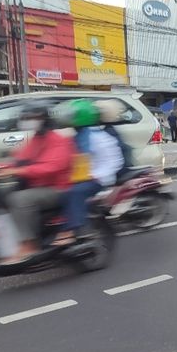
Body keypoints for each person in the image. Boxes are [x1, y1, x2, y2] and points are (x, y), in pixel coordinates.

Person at [0, 101, 75, 264]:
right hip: (38, 186)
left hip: (57, 189)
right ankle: (7, 244)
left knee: (19, 199)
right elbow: (21, 159)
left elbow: (52, 167)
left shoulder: (58, 140)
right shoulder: (36, 139)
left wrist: (16, 171)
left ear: (44, 119)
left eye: (32, 117)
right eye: (26, 117)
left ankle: (29, 244)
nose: (28, 120)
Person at [52, 100, 124, 246]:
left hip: (97, 179)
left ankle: (71, 229)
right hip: (79, 177)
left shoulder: (99, 138)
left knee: (75, 192)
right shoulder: (76, 135)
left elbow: (115, 160)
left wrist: (97, 175)